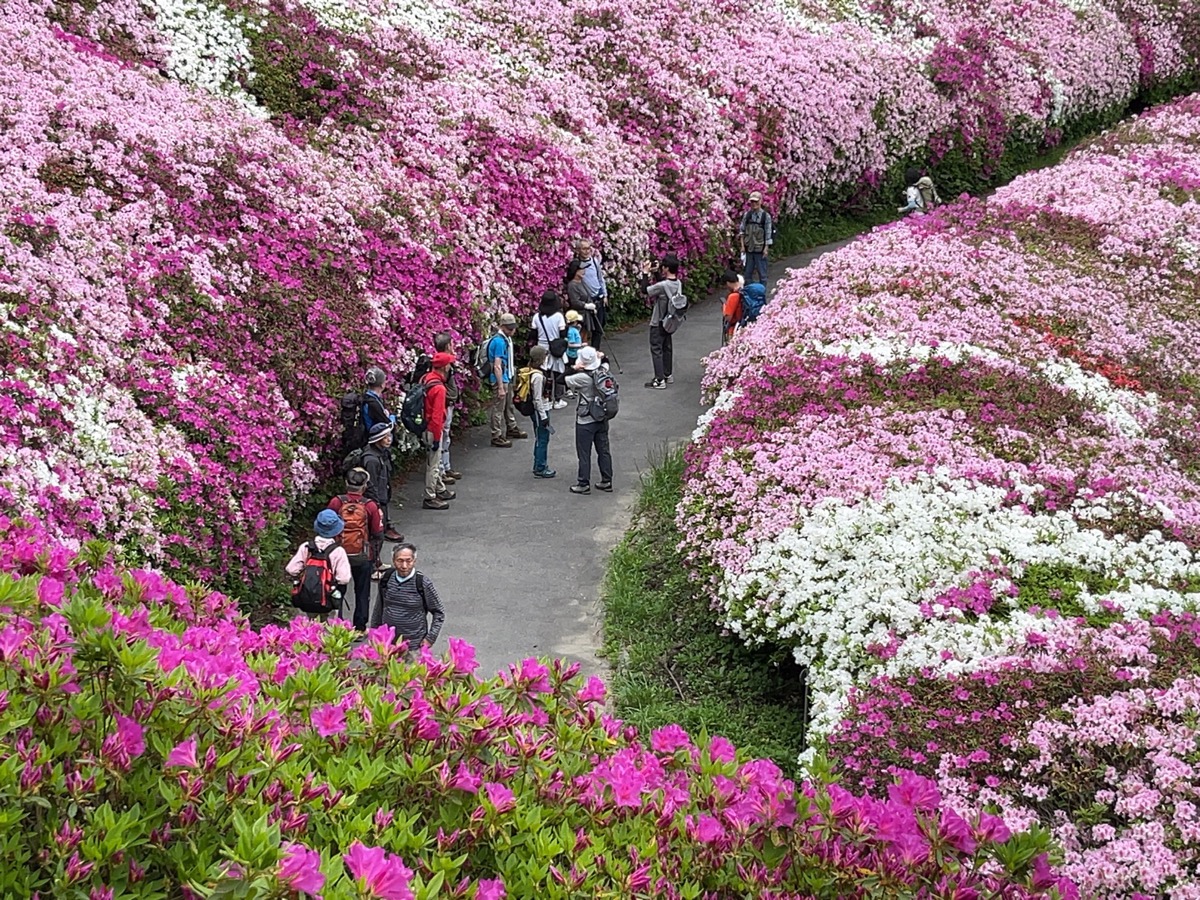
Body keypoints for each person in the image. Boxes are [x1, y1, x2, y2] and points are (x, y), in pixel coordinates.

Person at [327, 468, 383, 631]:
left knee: (337, 590)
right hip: (363, 555)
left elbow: (327, 526)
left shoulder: (336, 502)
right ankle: (359, 626)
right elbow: (377, 532)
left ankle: (338, 625)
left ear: (346, 483)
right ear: (364, 486)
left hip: (338, 554)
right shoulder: (370, 506)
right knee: (362, 591)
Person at [370, 543, 445, 656]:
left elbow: (439, 612)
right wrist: (374, 633)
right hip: (388, 645)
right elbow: (379, 608)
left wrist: (430, 638)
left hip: (414, 647)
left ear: (414, 561)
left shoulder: (422, 583)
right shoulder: (387, 579)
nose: (404, 566)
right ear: (393, 560)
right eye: (400, 561)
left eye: (408, 561)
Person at [286, 510, 351, 622]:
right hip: (328, 596)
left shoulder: (307, 547)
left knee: (310, 624)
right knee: (327, 626)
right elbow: (344, 578)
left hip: (307, 596)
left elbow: (291, 569)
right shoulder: (338, 551)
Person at [565, 346, 613, 495]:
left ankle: (583, 483)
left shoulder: (581, 378)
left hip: (585, 419)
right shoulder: (604, 371)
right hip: (601, 416)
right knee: (603, 450)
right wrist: (601, 357)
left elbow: (562, 379)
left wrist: (574, 368)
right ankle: (607, 480)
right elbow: (606, 361)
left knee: (584, 453)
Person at [421, 352, 457, 511]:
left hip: (424, 425)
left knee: (433, 460)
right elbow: (437, 417)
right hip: (433, 429)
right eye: (449, 365)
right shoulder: (440, 388)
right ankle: (430, 496)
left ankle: (440, 488)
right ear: (444, 367)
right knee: (433, 463)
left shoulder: (426, 379)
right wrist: (436, 438)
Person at [487, 313, 527, 448]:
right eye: (509, 328)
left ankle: (511, 427)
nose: (513, 331)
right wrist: (500, 386)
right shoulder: (499, 341)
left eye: (513, 328)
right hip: (501, 379)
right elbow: (497, 366)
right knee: (498, 407)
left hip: (506, 377)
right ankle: (496, 435)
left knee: (508, 405)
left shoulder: (506, 339)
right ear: (502, 326)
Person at [643, 255, 683, 389]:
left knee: (656, 349)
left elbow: (645, 290)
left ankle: (659, 380)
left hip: (658, 321)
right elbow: (663, 286)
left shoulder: (663, 285)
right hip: (670, 321)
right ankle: (667, 374)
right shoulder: (678, 283)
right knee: (667, 347)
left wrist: (645, 272)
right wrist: (655, 273)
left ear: (666, 268)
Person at [363, 422, 404, 542]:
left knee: (384, 504)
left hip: (383, 490)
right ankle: (380, 529)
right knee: (380, 506)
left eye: (389, 436)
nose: (389, 439)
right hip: (377, 494)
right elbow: (371, 484)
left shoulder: (383, 453)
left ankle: (385, 524)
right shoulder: (371, 460)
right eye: (385, 437)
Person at [433, 332, 463, 484]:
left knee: (446, 438)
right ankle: (441, 471)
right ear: (446, 346)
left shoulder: (448, 362)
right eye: (451, 344)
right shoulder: (442, 364)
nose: (454, 347)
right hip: (444, 405)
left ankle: (446, 466)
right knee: (442, 438)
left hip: (448, 403)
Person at [532, 291, 568, 407]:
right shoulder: (558, 316)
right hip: (555, 347)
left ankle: (545, 398)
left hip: (542, 348)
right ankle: (557, 400)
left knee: (544, 374)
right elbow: (563, 333)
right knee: (558, 373)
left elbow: (532, 334)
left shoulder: (537, 317)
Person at [526, 345, 556, 478]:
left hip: (540, 410)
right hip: (540, 411)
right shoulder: (537, 377)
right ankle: (540, 467)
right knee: (542, 439)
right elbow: (537, 399)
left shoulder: (532, 371)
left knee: (541, 438)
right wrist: (544, 416)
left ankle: (539, 464)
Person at [575, 239, 608, 342]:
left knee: (601, 323)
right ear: (578, 250)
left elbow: (600, 278)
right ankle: (592, 349)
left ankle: (595, 349)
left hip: (598, 296)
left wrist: (605, 294)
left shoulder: (594, 261)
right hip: (587, 300)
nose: (587, 251)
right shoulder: (577, 264)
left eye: (588, 248)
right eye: (584, 248)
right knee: (589, 326)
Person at [738, 191, 773, 285]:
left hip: (760, 250)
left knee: (763, 275)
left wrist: (766, 248)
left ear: (760, 201)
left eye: (756, 201)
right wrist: (742, 246)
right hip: (749, 249)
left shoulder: (766, 216)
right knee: (747, 275)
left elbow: (768, 233)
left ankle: (761, 295)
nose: (754, 204)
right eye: (752, 202)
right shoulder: (747, 215)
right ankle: (750, 295)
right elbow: (742, 230)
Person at [362, 367, 394, 435]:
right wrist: (392, 417)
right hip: (372, 439)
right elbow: (387, 425)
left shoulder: (364, 397)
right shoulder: (374, 403)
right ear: (382, 385)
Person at [721, 270, 744, 346]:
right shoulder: (743, 291)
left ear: (727, 283)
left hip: (734, 330)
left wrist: (725, 306)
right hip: (744, 326)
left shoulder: (733, 296)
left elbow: (728, 318)